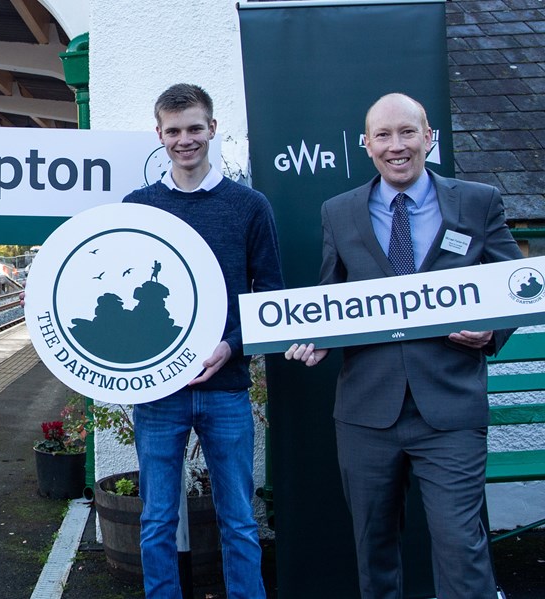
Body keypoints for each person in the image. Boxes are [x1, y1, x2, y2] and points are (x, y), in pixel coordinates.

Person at [285, 92, 522, 598]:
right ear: (366, 144)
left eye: (408, 132)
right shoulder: (339, 211)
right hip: (366, 412)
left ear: (429, 138)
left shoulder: (477, 202)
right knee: (375, 550)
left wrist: (492, 330)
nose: (397, 146)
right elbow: (331, 296)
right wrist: (318, 337)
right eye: (384, 136)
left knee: (462, 546)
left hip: (450, 409)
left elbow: (516, 286)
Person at [124, 83, 282, 598]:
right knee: (156, 522)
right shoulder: (137, 207)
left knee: (238, 518)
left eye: (195, 128)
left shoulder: (249, 206)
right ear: (159, 135)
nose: (185, 139)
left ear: (212, 128)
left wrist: (231, 346)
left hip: (227, 386)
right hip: (157, 391)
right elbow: (114, 284)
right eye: (174, 131)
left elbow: (271, 297)